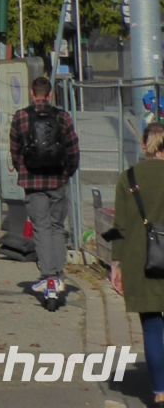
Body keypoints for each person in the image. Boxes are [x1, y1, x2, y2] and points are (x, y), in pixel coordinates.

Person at [9, 75, 80, 302]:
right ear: (50, 94)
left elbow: (14, 148)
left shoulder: (21, 117)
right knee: (57, 226)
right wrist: (67, 172)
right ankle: (58, 274)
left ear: (32, 93)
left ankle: (47, 274)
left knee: (41, 227)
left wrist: (22, 169)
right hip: (57, 179)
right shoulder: (63, 117)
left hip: (32, 180)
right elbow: (73, 149)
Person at [108, 122, 164, 405]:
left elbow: (119, 226)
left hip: (141, 262)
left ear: (145, 145)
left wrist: (116, 264)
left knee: (152, 327)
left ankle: (159, 391)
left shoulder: (128, 178)